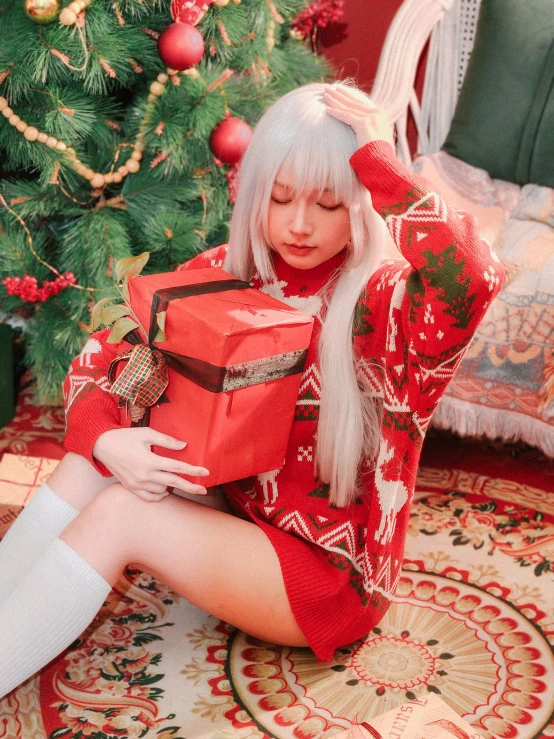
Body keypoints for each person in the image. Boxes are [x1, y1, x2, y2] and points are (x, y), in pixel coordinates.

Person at [0, 83, 504, 697]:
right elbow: (111, 362)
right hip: (239, 516)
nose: (297, 224)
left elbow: (475, 276)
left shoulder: (389, 306)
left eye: (327, 203)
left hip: (327, 580)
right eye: (281, 196)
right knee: (90, 468)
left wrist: (379, 161)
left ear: (362, 204)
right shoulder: (227, 270)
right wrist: (107, 443)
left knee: (120, 512)